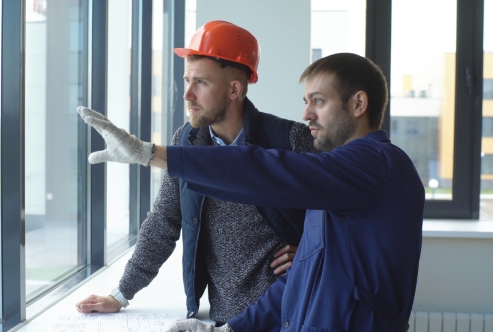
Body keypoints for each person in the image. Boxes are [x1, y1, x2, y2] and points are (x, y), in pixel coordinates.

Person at [77, 52, 425, 331]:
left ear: (358, 104)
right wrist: (231, 329)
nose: (306, 114)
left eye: (318, 101)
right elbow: (298, 281)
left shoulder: (378, 164)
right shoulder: (337, 182)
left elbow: (267, 171)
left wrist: (150, 154)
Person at [75, 20, 318, 325]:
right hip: (223, 319)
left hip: (288, 315)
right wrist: (120, 294)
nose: (187, 94)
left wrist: (313, 251)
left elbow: (340, 215)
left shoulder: (292, 140)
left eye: (200, 82)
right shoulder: (186, 141)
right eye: (186, 80)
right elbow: (164, 222)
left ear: (234, 89)